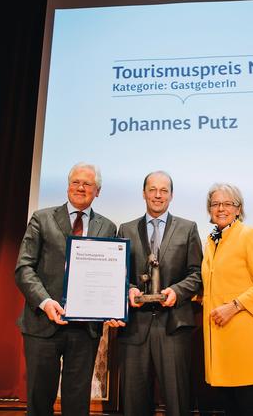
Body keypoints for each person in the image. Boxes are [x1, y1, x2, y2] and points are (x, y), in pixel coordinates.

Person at [14, 162, 117, 416]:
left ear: (98, 191)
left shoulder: (108, 227)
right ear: (68, 186)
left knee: (77, 404)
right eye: (75, 182)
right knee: (39, 401)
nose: (80, 188)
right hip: (42, 324)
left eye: (88, 184)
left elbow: (111, 276)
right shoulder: (42, 218)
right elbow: (24, 268)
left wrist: (112, 304)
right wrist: (46, 302)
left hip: (85, 329)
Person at [111, 171, 203, 416]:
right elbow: (118, 274)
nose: (158, 195)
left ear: (171, 195)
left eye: (164, 190)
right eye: (152, 189)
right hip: (135, 329)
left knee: (177, 401)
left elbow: (197, 274)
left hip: (173, 325)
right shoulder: (126, 229)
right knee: (133, 402)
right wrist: (129, 289)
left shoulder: (188, 228)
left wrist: (176, 290)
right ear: (144, 193)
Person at [201, 183, 253, 416]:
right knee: (230, 408)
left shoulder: (249, 235)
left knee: (248, 408)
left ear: (238, 208)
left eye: (227, 204)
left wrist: (233, 306)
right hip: (220, 340)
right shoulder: (212, 240)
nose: (221, 208)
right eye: (215, 204)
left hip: (245, 341)